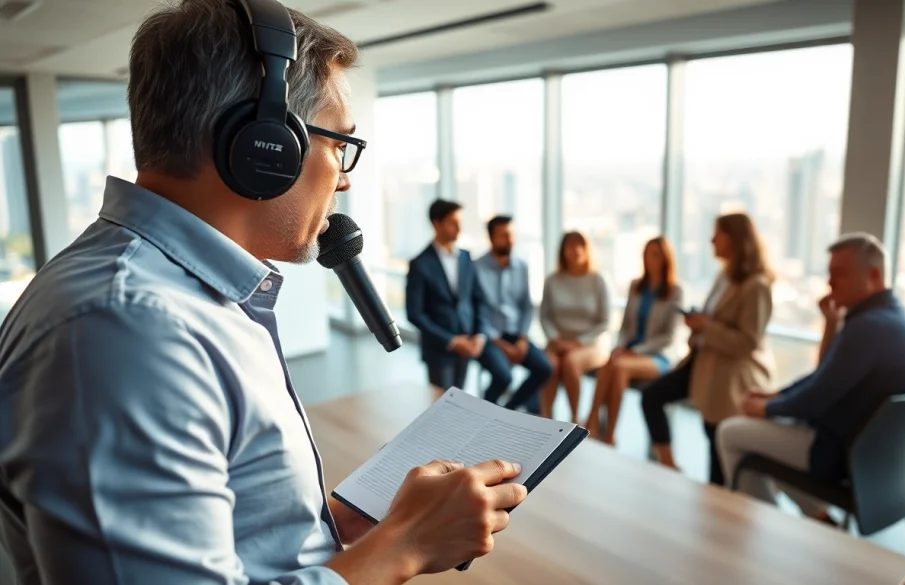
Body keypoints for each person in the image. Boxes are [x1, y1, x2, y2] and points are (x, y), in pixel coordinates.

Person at [0, 2, 527, 584]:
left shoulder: (182, 300)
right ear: (265, 144)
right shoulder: (127, 330)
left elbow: (229, 532)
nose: (346, 176)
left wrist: (334, 522)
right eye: (340, 144)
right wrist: (404, 545)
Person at [717, 233, 905, 524]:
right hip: (888, 461)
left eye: (840, 274)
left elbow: (816, 397)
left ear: (873, 275)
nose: (830, 283)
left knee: (731, 432)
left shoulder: (867, 328)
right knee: (768, 434)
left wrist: (767, 408)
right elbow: (827, 376)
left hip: (845, 456)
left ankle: (761, 528)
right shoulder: (896, 319)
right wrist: (776, 396)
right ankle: (818, 519)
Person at [641, 213, 775, 485]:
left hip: (728, 378)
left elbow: (748, 342)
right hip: (704, 366)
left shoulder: (756, 286)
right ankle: (671, 465)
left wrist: (706, 327)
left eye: (718, 234)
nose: (712, 240)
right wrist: (699, 324)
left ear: (734, 239)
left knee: (719, 454)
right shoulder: (724, 276)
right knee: (656, 398)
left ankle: (721, 514)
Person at [407, 200, 510, 401]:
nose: (459, 228)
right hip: (440, 349)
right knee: (441, 406)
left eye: (460, 222)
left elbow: (478, 299)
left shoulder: (465, 257)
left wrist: (480, 334)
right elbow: (415, 313)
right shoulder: (420, 264)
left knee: (459, 402)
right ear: (436, 224)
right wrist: (452, 341)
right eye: (453, 222)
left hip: (469, 342)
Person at [584, 236, 683, 446]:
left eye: (655, 255)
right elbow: (625, 327)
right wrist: (620, 347)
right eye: (647, 254)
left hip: (659, 357)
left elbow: (669, 338)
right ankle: (593, 419)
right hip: (629, 351)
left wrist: (636, 350)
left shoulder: (675, 291)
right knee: (611, 363)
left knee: (618, 367)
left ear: (665, 259)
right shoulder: (636, 286)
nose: (650, 259)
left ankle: (608, 433)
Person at [473, 216, 552, 412]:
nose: (510, 240)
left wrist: (523, 338)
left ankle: (509, 410)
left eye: (512, 235)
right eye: (504, 235)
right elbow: (476, 312)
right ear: (491, 238)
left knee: (544, 368)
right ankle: (485, 412)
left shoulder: (522, 266)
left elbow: (526, 306)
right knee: (503, 376)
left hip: (517, 335)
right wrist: (498, 342)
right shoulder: (476, 268)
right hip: (490, 338)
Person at [539, 231, 612, 423]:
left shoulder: (598, 280)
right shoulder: (553, 280)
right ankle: (545, 418)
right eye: (570, 246)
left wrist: (578, 342)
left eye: (580, 245)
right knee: (549, 365)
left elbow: (605, 321)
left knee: (571, 362)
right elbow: (544, 315)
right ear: (563, 251)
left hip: (590, 343)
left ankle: (574, 420)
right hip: (557, 341)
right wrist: (555, 338)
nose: (576, 250)